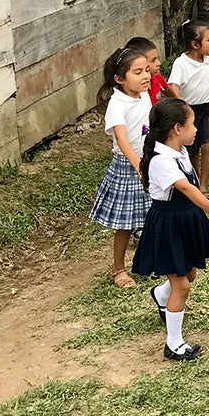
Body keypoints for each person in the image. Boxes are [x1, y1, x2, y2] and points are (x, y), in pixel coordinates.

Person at [132, 98, 209, 361]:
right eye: (192, 124)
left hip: (185, 220)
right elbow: (186, 188)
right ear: (177, 128)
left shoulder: (180, 152)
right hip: (168, 224)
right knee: (182, 286)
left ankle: (161, 294)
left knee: (190, 273)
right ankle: (173, 343)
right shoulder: (162, 160)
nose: (197, 129)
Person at [89, 47, 153, 288]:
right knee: (125, 225)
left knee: (153, 216)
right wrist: (138, 164)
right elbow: (122, 138)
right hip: (128, 169)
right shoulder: (117, 103)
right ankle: (119, 269)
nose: (145, 76)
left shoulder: (144, 95)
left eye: (146, 70)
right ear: (119, 78)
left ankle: (151, 262)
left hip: (148, 164)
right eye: (137, 72)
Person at [168, 21, 209, 194]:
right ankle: (195, 178)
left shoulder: (208, 58)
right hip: (189, 111)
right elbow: (173, 85)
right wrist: (180, 101)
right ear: (195, 44)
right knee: (192, 149)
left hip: (208, 109)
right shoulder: (181, 63)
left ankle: (203, 183)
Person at [125, 36, 178, 105]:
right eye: (153, 60)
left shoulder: (157, 77)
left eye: (157, 59)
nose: (159, 63)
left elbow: (168, 91)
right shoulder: (136, 89)